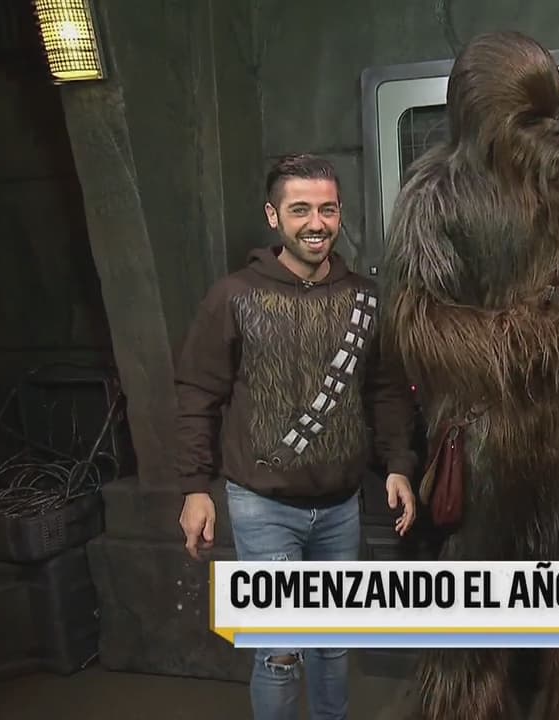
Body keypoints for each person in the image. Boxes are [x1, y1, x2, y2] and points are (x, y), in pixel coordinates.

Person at [173, 154, 419, 720]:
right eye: (300, 209)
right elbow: (197, 394)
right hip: (261, 505)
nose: (316, 223)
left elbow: (385, 391)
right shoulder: (233, 295)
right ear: (273, 216)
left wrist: (399, 466)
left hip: (341, 506)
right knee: (280, 652)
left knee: (332, 645)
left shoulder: (366, 298)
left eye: (327, 210)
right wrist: (194, 488)